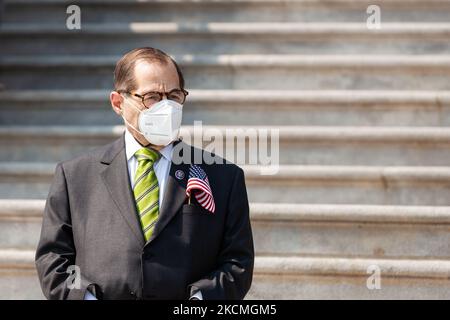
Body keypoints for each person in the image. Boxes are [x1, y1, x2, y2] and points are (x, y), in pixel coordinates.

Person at [35, 47, 254, 300]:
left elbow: (237, 262)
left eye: (174, 95)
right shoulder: (74, 176)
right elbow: (53, 258)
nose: (167, 107)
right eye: (151, 97)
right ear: (118, 102)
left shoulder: (223, 176)